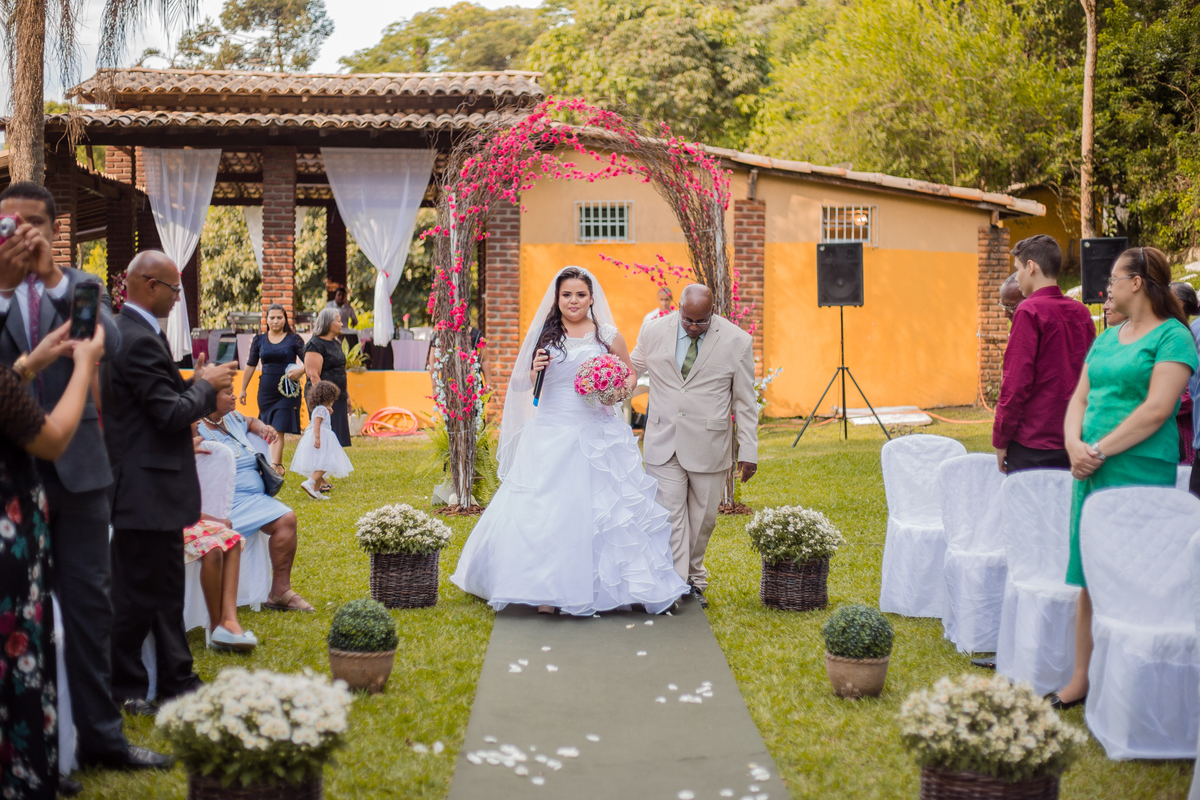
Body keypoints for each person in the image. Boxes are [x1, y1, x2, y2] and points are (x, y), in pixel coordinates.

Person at [0, 182, 173, 774]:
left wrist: (50, 278)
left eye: (28, 225)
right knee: (20, 615)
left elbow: (114, 340)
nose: (17, 235)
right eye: (7, 225)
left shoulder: (79, 285)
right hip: (10, 480)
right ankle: (45, 749)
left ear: (51, 228)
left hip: (78, 470)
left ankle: (102, 739)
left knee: (89, 607)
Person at [451, 266, 689, 615]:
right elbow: (522, 385)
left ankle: (613, 589)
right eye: (566, 295)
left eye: (580, 294)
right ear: (557, 299)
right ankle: (546, 591)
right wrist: (535, 368)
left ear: (591, 298)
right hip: (551, 432)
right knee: (549, 512)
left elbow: (629, 376)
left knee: (605, 512)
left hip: (598, 433)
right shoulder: (546, 336)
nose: (573, 301)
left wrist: (612, 391)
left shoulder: (607, 335)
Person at [1053, 246, 1197, 710]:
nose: (1107, 287)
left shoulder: (1174, 336)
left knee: (1135, 574)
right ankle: (1080, 679)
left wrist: (1097, 449)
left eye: (1114, 278)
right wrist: (1074, 445)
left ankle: (1132, 681)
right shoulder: (1107, 336)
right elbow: (1079, 398)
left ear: (1137, 282)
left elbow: (1157, 410)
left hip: (1136, 468)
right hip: (1089, 470)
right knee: (1090, 574)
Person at [102, 250, 238, 715]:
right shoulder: (135, 337)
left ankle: (171, 680)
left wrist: (196, 384)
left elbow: (158, 398)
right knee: (140, 594)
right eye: (174, 289)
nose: (179, 298)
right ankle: (129, 686)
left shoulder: (137, 333)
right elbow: (167, 414)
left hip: (149, 487)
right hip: (145, 488)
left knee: (157, 591)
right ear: (147, 284)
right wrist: (205, 387)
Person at [1, 241, 106, 797]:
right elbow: (52, 437)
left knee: (82, 609)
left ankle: (88, 739)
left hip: (72, 489)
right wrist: (82, 364)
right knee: (17, 644)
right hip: (11, 522)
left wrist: (31, 362)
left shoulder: (80, 285)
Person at [630, 283, 759, 608]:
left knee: (702, 520)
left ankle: (693, 577)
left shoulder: (737, 341)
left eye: (700, 322)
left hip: (710, 443)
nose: (693, 327)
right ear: (679, 309)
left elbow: (745, 401)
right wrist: (599, 382)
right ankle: (675, 586)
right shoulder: (653, 331)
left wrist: (748, 451)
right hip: (663, 438)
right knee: (670, 516)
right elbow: (629, 372)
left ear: (712, 313)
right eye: (687, 319)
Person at [198, 385, 314, 612]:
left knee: (286, 519)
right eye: (227, 393)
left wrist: (263, 429)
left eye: (233, 391)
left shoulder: (231, 418)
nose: (233, 396)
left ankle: (279, 591)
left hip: (255, 499)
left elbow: (251, 421)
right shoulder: (196, 428)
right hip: (221, 505)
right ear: (208, 398)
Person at [992, 235, 1095, 474]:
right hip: (1075, 437)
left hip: (1033, 443)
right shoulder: (1081, 312)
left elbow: (1015, 384)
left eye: (1017, 269)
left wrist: (1000, 438)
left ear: (1031, 266)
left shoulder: (1028, 311)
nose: (1016, 278)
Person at [189, 432, 256, 651]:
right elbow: (176, 507)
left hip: (192, 520)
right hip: (169, 523)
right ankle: (219, 626)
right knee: (213, 548)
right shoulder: (166, 453)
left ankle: (230, 620)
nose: (198, 421)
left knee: (232, 539)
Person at [238, 303, 305, 473]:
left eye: (279, 317)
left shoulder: (294, 339)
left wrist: (301, 371)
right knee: (269, 428)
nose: (275, 321)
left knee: (279, 428)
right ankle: (279, 466)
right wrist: (243, 389)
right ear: (266, 320)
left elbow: (310, 360)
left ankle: (274, 466)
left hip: (287, 390)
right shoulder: (259, 340)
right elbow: (251, 365)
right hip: (266, 391)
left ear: (285, 319)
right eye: (272, 317)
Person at [290, 380, 354, 500]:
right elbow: (317, 424)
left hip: (321, 435)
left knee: (321, 462)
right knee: (326, 463)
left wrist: (327, 411)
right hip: (322, 436)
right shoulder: (321, 410)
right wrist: (318, 438)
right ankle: (309, 482)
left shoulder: (320, 409)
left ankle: (316, 491)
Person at [304, 307, 351, 448]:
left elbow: (340, 370)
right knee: (325, 440)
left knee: (337, 442)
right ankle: (319, 470)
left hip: (338, 397)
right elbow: (313, 376)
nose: (342, 324)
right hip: (323, 400)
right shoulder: (315, 345)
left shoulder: (336, 343)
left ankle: (329, 470)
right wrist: (325, 403)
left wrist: (346, 396)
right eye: (339, 321)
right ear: (328, 323)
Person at [1171, 282, 1199, 464]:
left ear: (1179, 304)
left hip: (1186, 429)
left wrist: (1164, 404)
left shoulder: (1189, 335)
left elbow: (1191, 388)